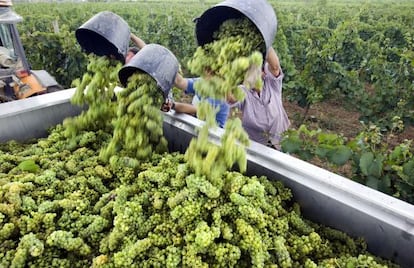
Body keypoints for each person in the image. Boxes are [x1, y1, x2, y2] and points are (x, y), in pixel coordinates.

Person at [129, 33, 230, 128]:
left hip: (215, 137)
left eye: (208, 70)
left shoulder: (220, 94)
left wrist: (172, 105)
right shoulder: (202, 82)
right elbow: (179, 81)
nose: (205, 72)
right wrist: (158, 60)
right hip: (201, 127)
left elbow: (194, 110)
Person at [227, 47, 290, 150]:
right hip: (257, 147)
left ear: (263, 73)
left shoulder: (272, 84)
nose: (251, 75)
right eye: (247, 72)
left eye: (254, 71)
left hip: (280, 141)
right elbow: (230, 98)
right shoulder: (243, 91)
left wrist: (265, 41)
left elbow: (274, 66)